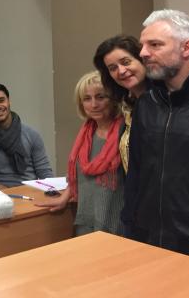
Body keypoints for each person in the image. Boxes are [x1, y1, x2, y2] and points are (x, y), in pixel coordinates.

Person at [124, 9, 189, 258]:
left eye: (155, 44)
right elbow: (136, 172)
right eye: (143, 45)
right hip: (147, 238)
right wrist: (130, 225)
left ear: (187, 48)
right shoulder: (147, 103)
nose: (143, 53)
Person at [36, 72, 125, 236]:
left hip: (115, 224)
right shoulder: (86, 134)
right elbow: (78, 175)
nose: (94, 104)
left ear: (113, 99)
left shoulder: (125, 134)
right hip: (85, 219)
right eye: (87, 99)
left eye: (100, 97)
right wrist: (64, 197)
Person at [0, 81, 53, 187]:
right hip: (1, 195)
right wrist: (13, 196)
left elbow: (45, 172)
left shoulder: (32, 134)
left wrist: (52, 191)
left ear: (9, 101)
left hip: (33, 192)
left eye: (1, 100)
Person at [93, 35, 147, 173]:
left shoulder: (164, 103)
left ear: (142, 60)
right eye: (113, 68)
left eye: (126, 62)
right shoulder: (127, 108)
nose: (121, 71)